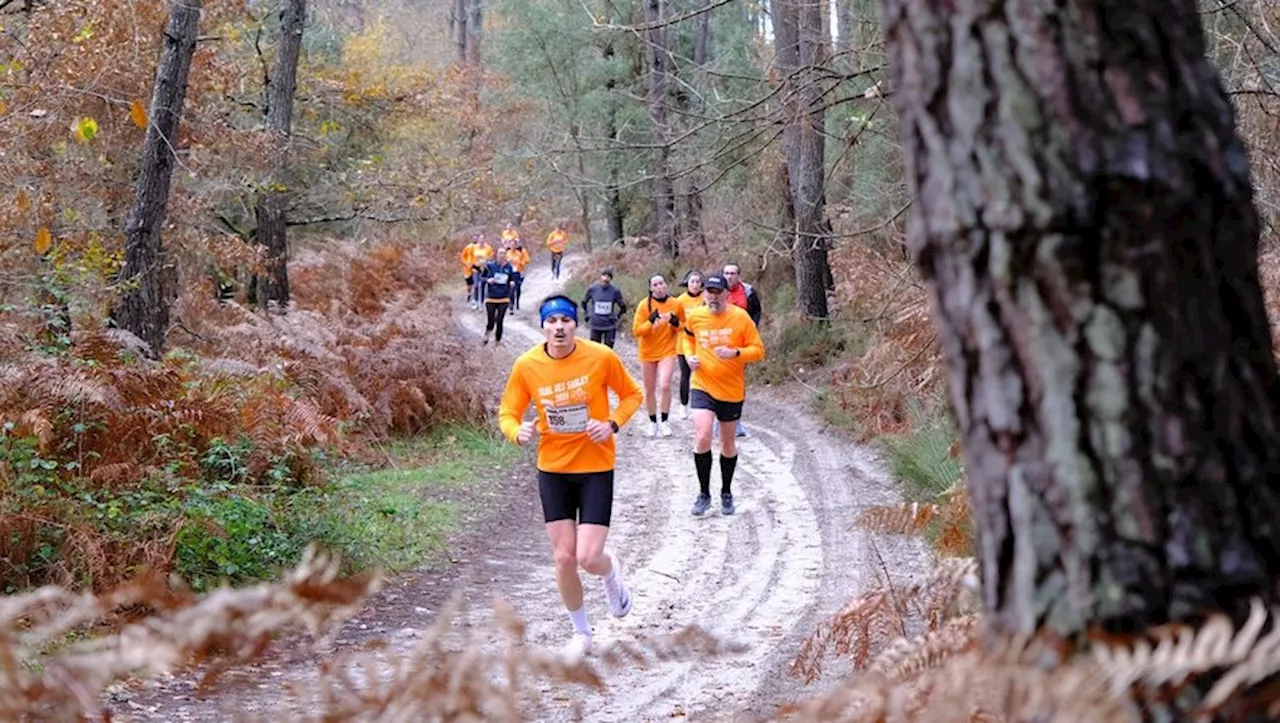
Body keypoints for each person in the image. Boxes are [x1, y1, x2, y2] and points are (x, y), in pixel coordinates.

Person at [498, 295, 644, 659]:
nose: (559, 327)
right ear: (543, 326)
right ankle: (581, 633)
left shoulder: (600, 357)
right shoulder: (527, 365)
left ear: (575, 325)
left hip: (595, 467)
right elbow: (508, 412)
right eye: (552, 321)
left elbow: (632, 394)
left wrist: (611, 424)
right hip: (554, 470)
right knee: (564, 558)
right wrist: (518, 432)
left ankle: (611, 575)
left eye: (566, 320)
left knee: (589, 558)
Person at [682, 273, 765, 517]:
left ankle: (726, 492)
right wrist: (689, 357)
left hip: (731, 388)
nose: (712, 297)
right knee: (702, 436)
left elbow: (758, 350)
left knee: (727, 443)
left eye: (718, 293)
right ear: (704, 293)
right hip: (702, 384)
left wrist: (736, 353)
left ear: (727, 295)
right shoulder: (696, 316)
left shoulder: (740, 318)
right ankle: (703, 493)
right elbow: (687, 338)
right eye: (709, 292)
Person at [631, 274, 685, 438]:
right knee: (649, 389)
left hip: (667, 350)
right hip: (647, 352)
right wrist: (650, 321)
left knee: (665, 384)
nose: (659, 287)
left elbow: (684, 327)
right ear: (651, 288)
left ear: (666, 285)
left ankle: (665, 420)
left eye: (661, 283)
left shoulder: (675, 304)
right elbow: (637, 331)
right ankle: (653, 421)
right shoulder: (644, 305)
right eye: (655, 284)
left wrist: (676, 323)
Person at [722, 262, 762, 437]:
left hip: (740, 345)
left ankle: (736, 420)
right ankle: (719, 420)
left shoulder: (748, 291)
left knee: (737, 381)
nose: (729, 276)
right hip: (719, 342)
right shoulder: (716, 290)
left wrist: (750, 331)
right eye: (726, 273)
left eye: (733, 273)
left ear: (739, 276)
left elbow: (756, 312)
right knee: (717, 379)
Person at [673, 270, 706, 420]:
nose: (695, 285)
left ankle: (699, 406)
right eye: (692, 282)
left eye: (698, 282)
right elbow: (676, 323)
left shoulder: (705, 299)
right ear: (687, 283)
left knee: (701, 375)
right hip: (684, 342)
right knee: (685, 375)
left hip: (702, 342)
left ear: (701, 285)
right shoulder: (680, 300)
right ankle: (683, 405)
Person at [580, 268, 627, 348]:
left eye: (608, 277)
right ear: (601, 277)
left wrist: (617, 316)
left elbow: (623, 307)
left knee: (608, 351)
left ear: (610, 279)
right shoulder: (593, 289)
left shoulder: (615, 291)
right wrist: (586, 314)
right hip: (595, 325)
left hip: (609, 326)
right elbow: (584, 302)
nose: (605, 278)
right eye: (604, 276)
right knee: (595, 351)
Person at [481, 255, 517, 346]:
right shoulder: (490, 266)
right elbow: (482, 277)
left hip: (504, 297)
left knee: (500, 320)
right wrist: (488, 280)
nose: (501, 256)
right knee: (491, 320)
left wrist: (512, 283)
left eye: (503, 254)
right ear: (497, 255)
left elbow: (513, 279)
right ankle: (487, 333)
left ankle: (497, 341)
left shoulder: (509, 267)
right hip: (491, 297)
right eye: (500, 254)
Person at [503, 238, 531, 312]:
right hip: (509, 273)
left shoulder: (519, 252)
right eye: (511, 244)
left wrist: (521, 263)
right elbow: (503, 262)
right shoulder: (507, 252)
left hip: (517, 272)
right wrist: (507, 262)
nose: (512, 246)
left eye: (514, 244)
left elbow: (526, 260)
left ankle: (517, 302)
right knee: (510, 288)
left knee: (517, 288)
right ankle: (511, 305)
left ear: (516, 245)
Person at [468, 234, 495, 310]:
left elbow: (491, 257)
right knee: (476, 285)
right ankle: (475, 301)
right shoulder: (473, 247)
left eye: (483, 239)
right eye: (480, 239)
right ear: (478, 239)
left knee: (482, 285)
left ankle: (481, 302)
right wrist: (471, 264)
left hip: (485, 268)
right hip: (476, 268)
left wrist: (487, 260)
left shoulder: (488, 248)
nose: (481, 240)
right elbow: (470, 257)